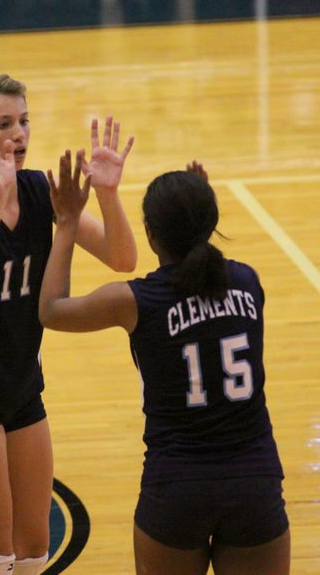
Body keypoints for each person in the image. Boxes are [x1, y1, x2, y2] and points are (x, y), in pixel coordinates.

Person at [0, 73, 138, 574]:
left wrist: (107, 194)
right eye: (4, 124)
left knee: (33, 554)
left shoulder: (39, 189)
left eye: (23, 121)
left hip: (20, 388)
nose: (18, 134)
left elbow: (122, 258)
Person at [38, 159, 290, 575]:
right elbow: (206, 282)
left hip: (177, 485)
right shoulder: (248, 282)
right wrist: (198, 212)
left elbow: (51, 310)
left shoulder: (136, 301)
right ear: (210, 223)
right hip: (254, 481)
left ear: (151, 235)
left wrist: (66, 223)